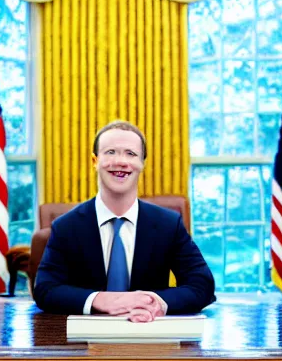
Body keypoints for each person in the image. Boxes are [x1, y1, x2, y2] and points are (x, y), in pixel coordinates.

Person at [33, 120, 215, 322]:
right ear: (95, 161)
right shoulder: (66, 226)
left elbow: (202, 285)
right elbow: (45, 289)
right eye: (110, 152)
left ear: (142, 163)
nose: (120, 161)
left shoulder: (168, 224)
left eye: (131, 154)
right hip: (85, 343)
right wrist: (101, 300)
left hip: (150, 337)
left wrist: (155, 302)